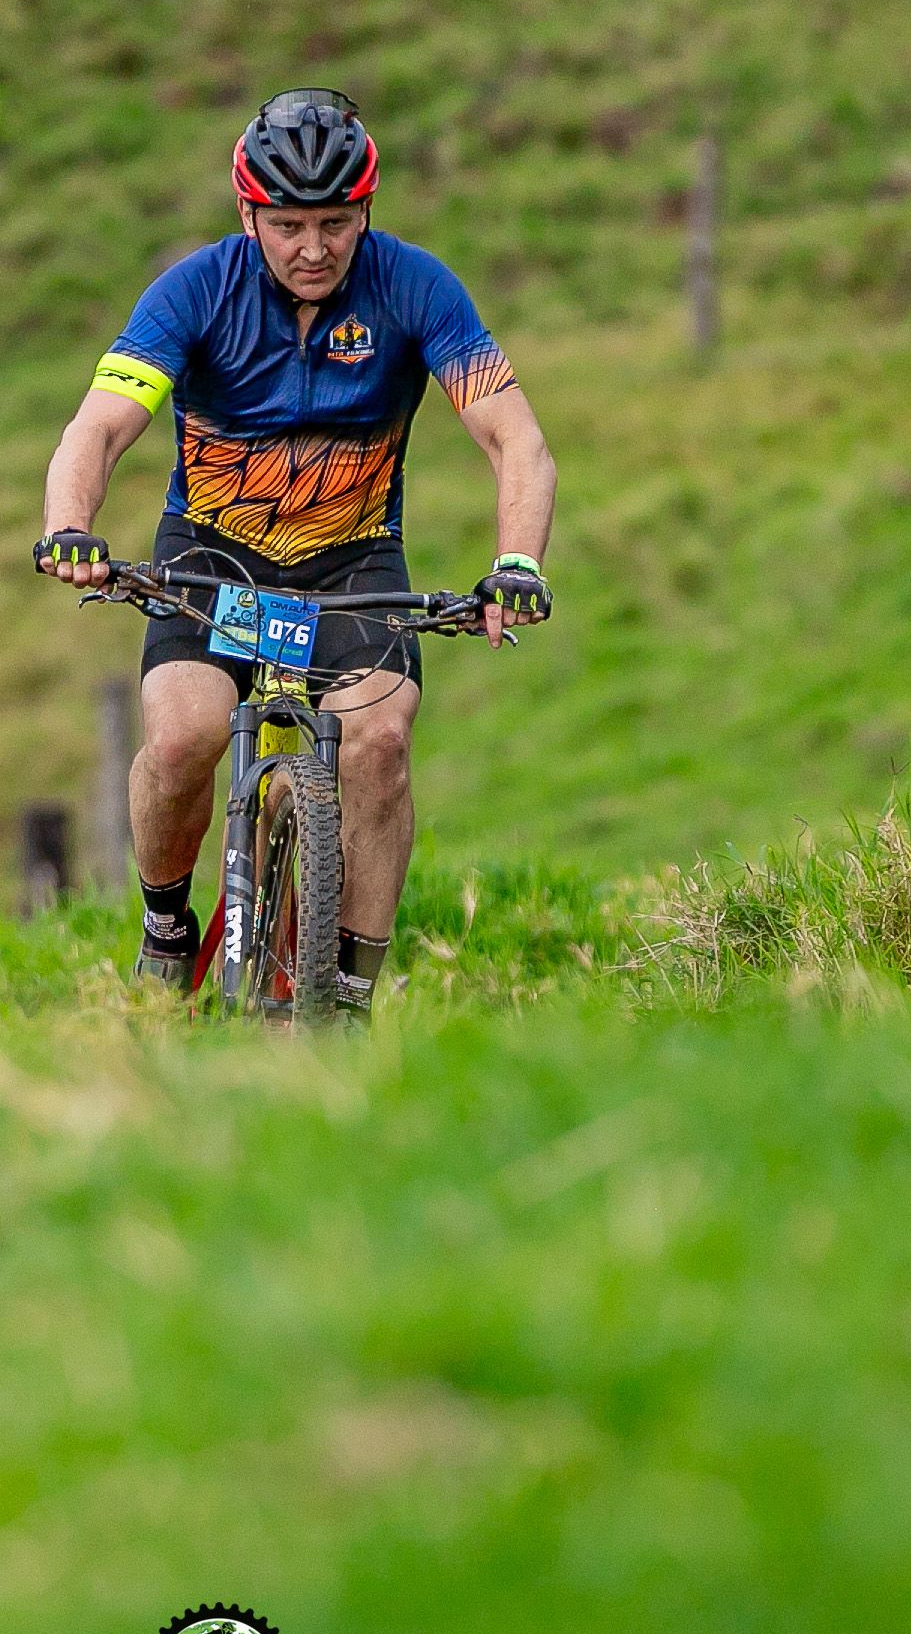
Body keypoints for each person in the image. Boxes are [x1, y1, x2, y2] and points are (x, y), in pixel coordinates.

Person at [35, 88, 558, 1010]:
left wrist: (515, 565)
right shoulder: (196, 290)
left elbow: (515, 440)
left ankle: (348, 995)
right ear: (249, 216)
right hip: (216, 558)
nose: (313, 248)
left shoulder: (416, 287)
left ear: (366, 211)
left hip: (353, 563)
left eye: (335, 223)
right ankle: (166, 929)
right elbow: (100, 427)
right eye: (287, 225)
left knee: (380, 744)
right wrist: (71, 526)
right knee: (183, 735)